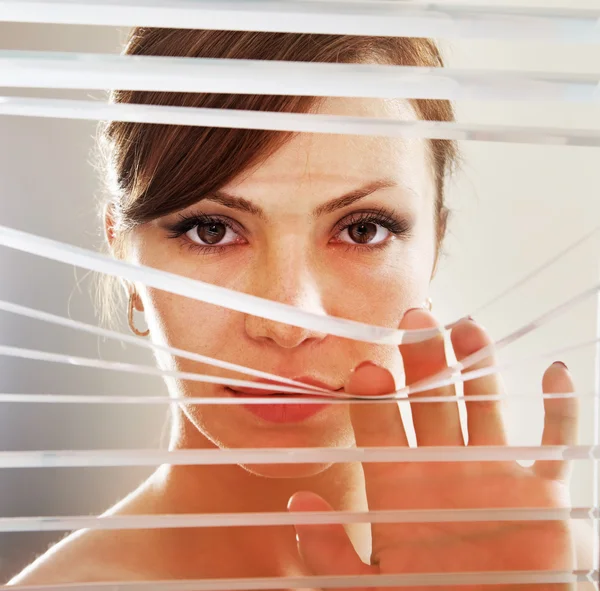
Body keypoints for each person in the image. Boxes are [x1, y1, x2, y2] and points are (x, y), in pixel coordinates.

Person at [9, 28, 594, 588]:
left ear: (434, 249)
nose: (287, 321)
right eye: (212, 231)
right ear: (122, 253)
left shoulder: (551, 575)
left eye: (362, 230)